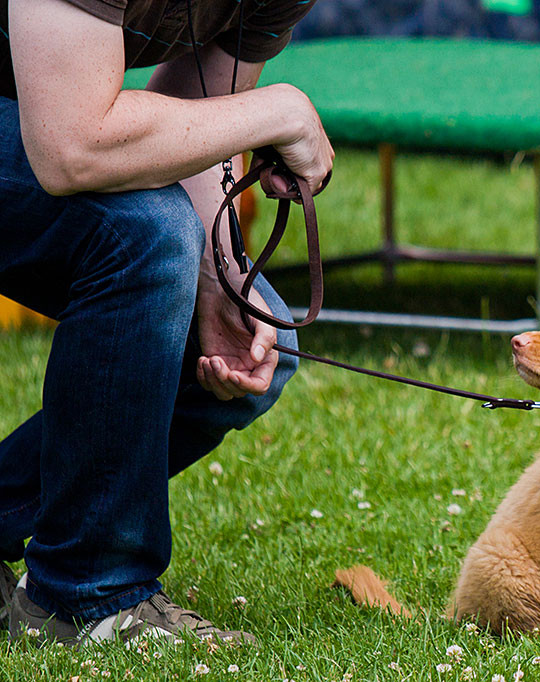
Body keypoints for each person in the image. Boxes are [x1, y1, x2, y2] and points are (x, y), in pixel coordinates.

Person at [0, 0, 333, 644]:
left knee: (258, 330)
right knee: (148, 232)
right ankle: (90, 596)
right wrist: (281, 110)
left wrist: (217, 272)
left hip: (39, 124)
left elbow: (198, 116)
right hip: (54, 133)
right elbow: (74, 146)